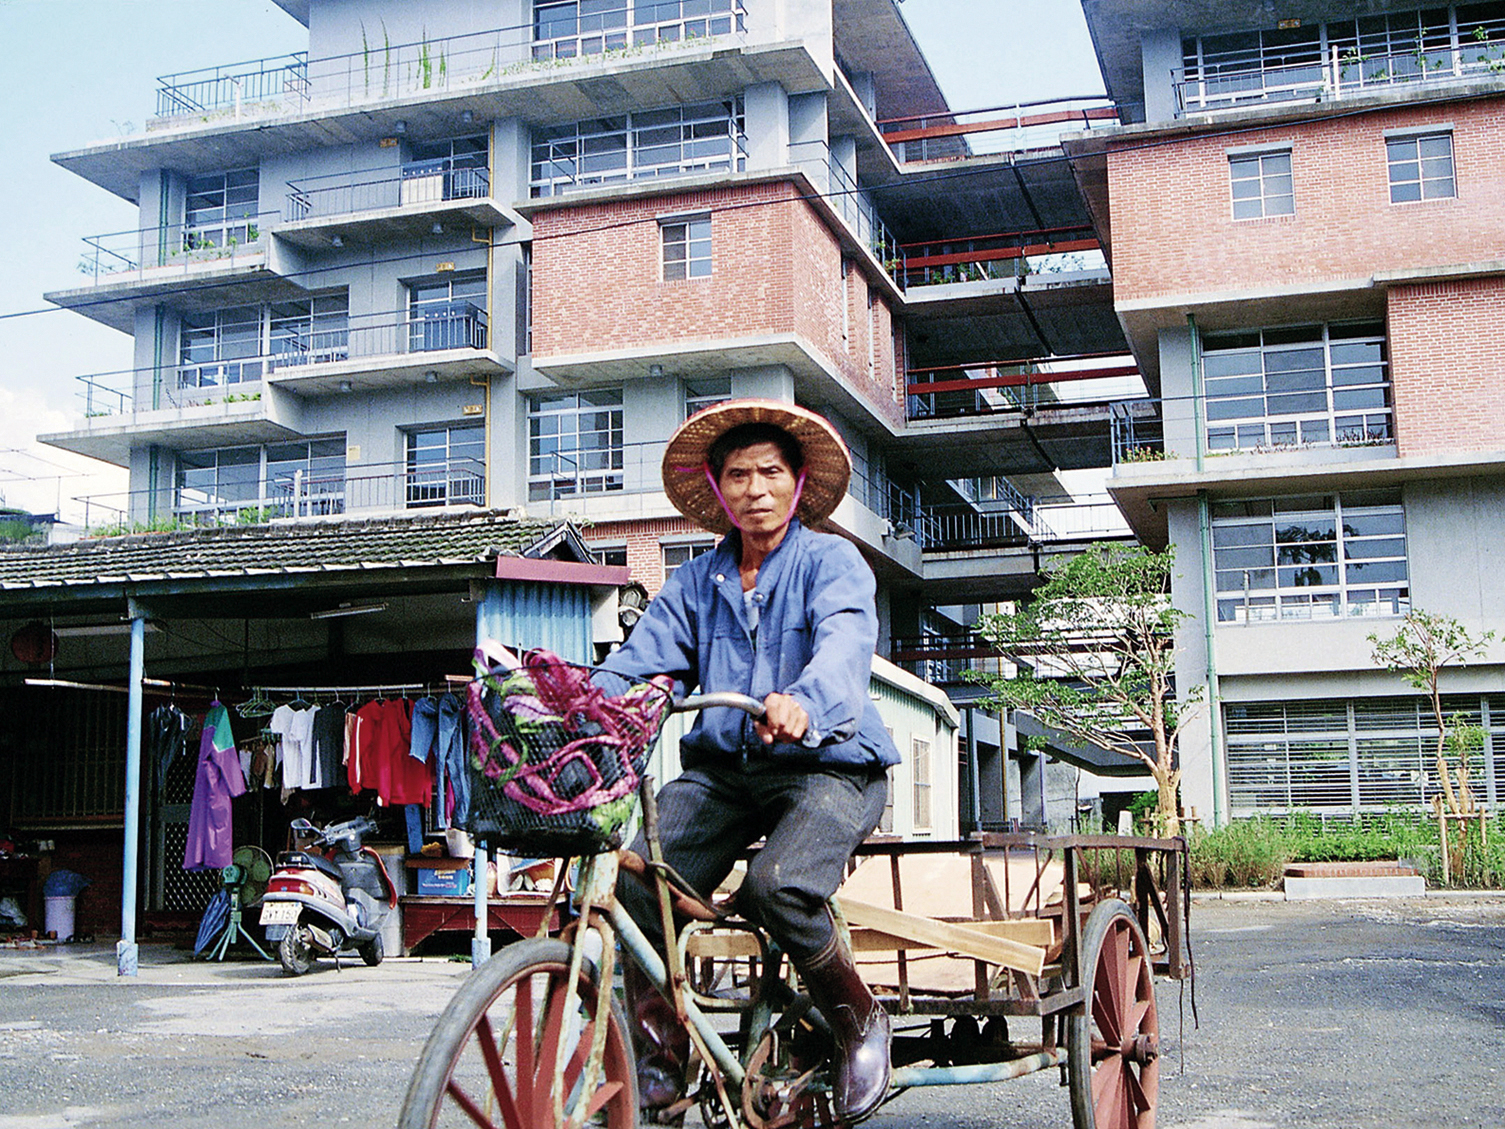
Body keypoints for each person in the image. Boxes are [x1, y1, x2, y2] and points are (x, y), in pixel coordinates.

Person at [601, 399, 899, 1124]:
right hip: (725, 774)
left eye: (770, 472)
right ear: (718, 486)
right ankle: (658, 1065)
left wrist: (803, 702)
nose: (755, 489)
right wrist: (576, 703)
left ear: (798, 483)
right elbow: (637, 667)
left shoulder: (832, 563)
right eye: (737, 475)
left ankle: (859, 1021)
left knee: (778, 884)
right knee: (636, 885)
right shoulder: (693, 583)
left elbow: (843, 648)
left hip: (831, 764)